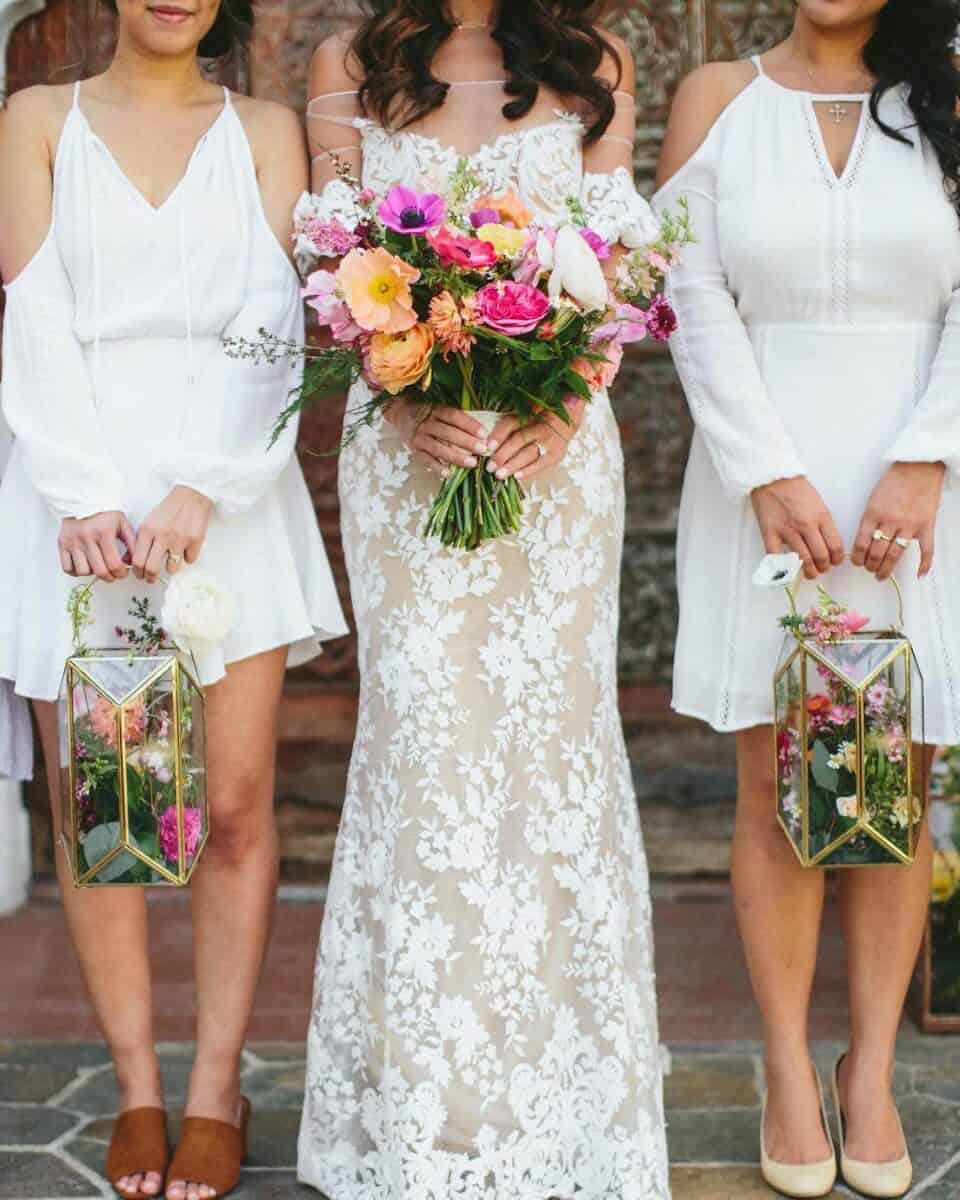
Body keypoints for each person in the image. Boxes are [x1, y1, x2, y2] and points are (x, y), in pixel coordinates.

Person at [296, 1, 671, 1197]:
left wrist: (565, 404)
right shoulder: (347, 65)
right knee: (427, 755)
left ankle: (564, 1116)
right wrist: (400, 398)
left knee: (547, 753)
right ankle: (426, 1121)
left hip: (551, 462)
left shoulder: (592, 64)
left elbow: (619, 269)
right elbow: (332, 268)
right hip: (409, 453)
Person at [0, 2, 347, 1197]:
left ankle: (215, 1086)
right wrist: (85, 494)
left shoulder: (261, 127)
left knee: (236, 806)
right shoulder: (39, 117)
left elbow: (276, 318)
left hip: (226, 496)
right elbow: (32, 309)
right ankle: (138, 1087)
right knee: (100, 806)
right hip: (71, 499)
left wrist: (206, 485)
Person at [655, 1, 960, 1195]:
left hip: (924, 496)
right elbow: (686, 294)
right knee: (774, 783)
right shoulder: (717, 98)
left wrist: (930, 455)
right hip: (758, 483)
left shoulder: (948, 95)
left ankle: (869, 1068)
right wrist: (765, 472)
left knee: (901, 784)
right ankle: (786, 1062)